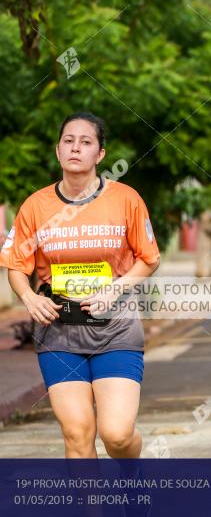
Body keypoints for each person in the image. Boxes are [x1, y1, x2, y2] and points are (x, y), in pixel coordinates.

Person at [0, 112, 160, 458]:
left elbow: (149, 258)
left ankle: (132, 477)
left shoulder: (125, 200)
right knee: (77, 434)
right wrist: (27, 296)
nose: (76, 148)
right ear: (58, 151)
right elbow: (14, 264)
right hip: (59, 331)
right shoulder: (35, 206)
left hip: (115, 329)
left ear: (99, 155)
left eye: (86, 142)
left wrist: (116, 289)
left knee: (116, 435)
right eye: (68, 141)